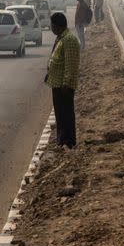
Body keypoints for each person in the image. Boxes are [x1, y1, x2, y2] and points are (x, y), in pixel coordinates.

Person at [45, 12, 81, 148]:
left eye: (52, 25)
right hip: (57, 83)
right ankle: (62, 141)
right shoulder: (61, 37)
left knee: (65, 115)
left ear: (57, 26)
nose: (51, 28)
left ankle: (68, 141)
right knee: (60, 115)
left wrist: (66, 84)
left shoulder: (69, 40)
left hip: (63, 86)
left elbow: (71, 65)